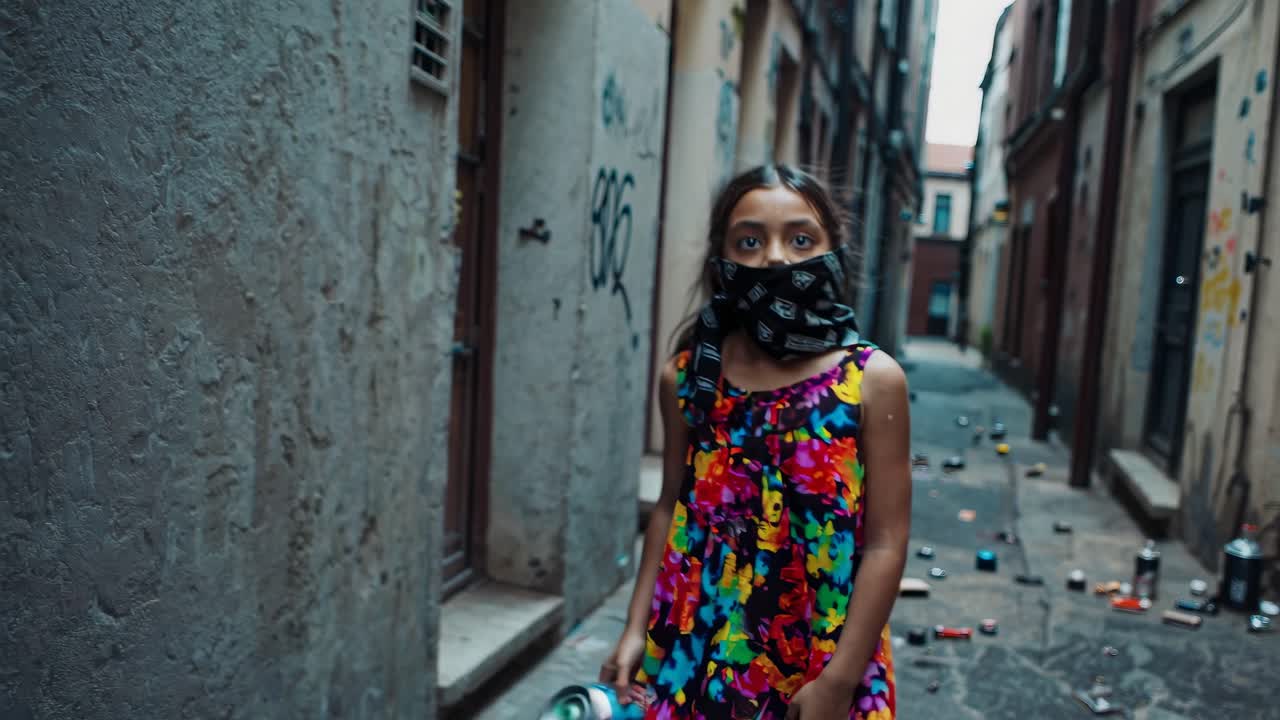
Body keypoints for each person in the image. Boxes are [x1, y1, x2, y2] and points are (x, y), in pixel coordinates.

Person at [600, 165, 911, 720]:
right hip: (693, 648)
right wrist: (633, 629)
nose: (774, 258)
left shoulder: (871, 379)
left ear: (832, 250)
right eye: (750, 240)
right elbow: (671, 504)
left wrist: (839, 683)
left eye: (799, 239)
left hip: (820, 656)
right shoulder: (689, 376)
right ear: (721, 260)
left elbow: (887, 542)